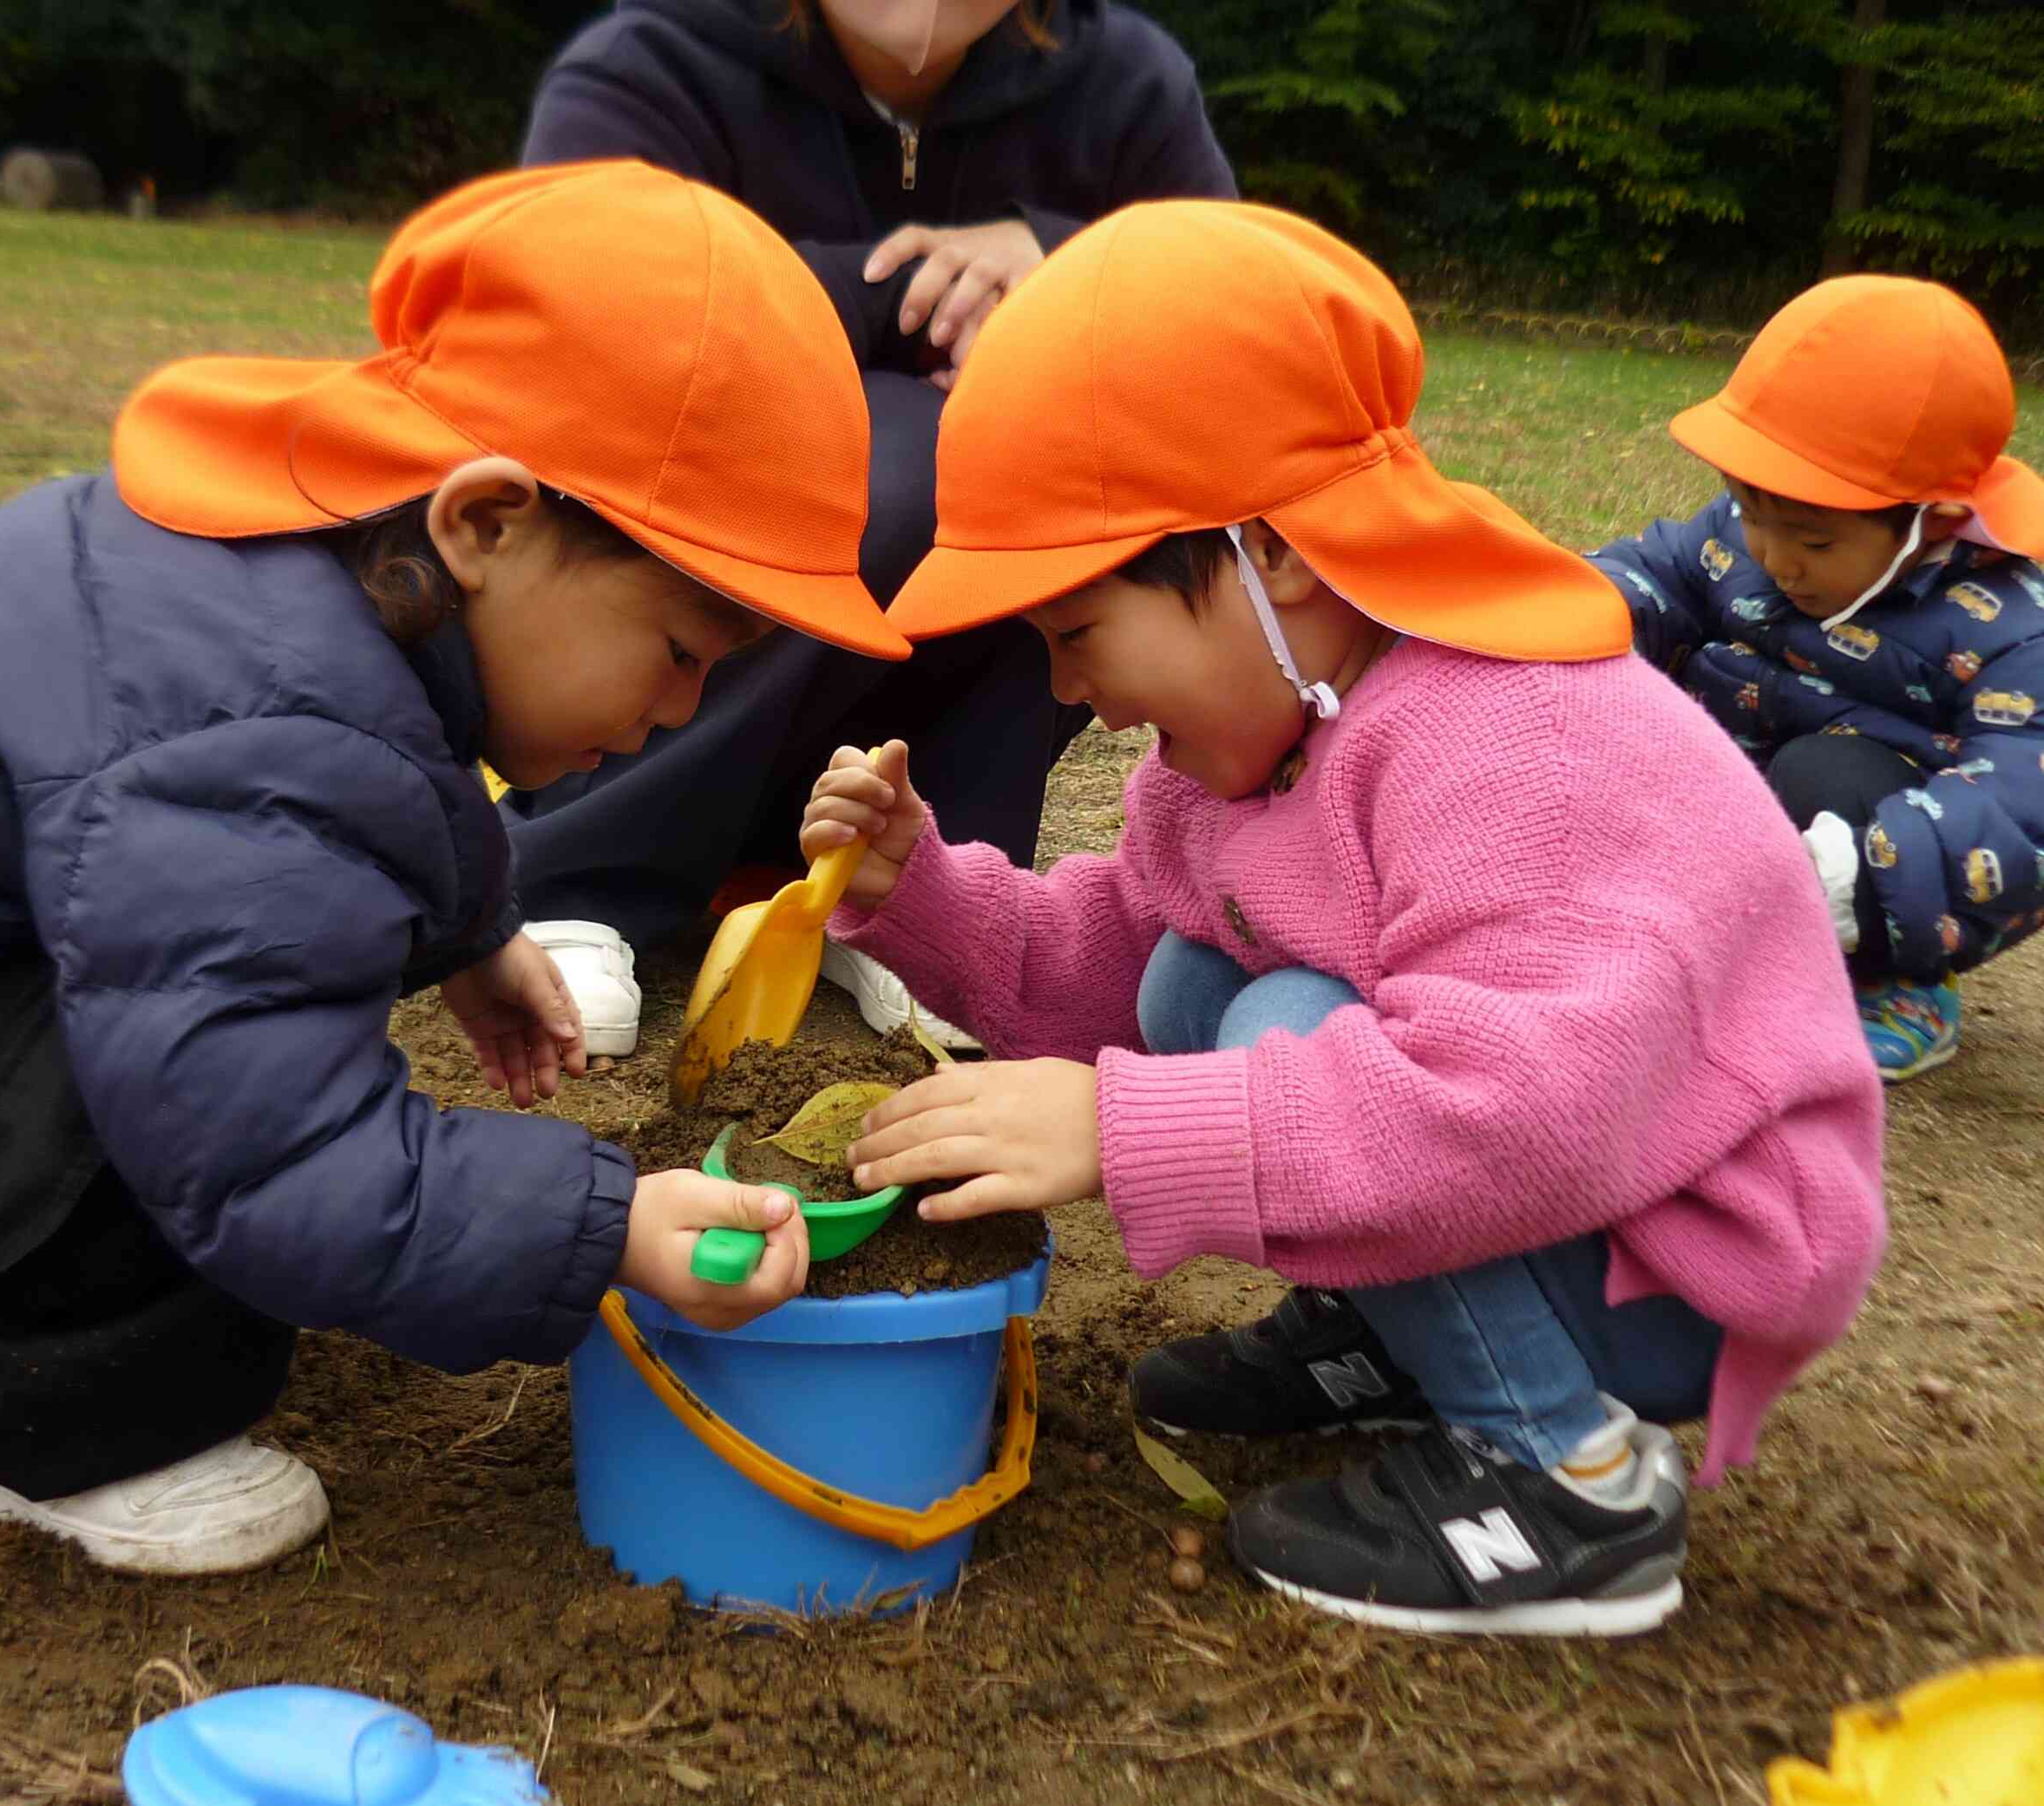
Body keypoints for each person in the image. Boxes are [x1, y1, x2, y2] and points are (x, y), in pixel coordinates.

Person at [0, 161, 904, 1576]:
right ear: (485, 522)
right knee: (184, 1075)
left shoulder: (310, 579)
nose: (679, 714)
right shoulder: (258, 708)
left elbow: (368, 780)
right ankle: (24, 1427)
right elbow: (257, 1135)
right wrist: (605, 1226)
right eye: (678, 651)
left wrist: (475, 928)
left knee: (232, 983)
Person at [797, 203, 1886, 1635]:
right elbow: (1123, 961)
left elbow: (1505, 1108)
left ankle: (1571, 1484)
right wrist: (920, 896)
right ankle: (1402, 1338)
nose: (1068, 692)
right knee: (1197, 977)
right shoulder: (1257, 740)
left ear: (1272, 556)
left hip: (1681, 1255)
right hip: (1567, 1197)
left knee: (1279, 1019)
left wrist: (1117, 1134)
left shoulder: (1509, 743)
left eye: (1077, 634)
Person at [508, 0, 1238, 1057]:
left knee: (1034, 480)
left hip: (934, 629)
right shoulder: (654, 60)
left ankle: (918, 884)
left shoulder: (1123, 77)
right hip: (672, 625)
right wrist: (895, 291)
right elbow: (569, 298)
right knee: (879, 464)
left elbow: (1233, 304)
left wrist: (1064, 263)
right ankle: (581, 870)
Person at [1586, 276, 2044, 1083]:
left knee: (1825, 770)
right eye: (1747, 513)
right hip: (1736, 802)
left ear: (1930, 522)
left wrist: (1847, 873)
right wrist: (1568, 616)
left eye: (1812, 541)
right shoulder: (1759, 533)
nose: (1771, 555)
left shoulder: (2013, 623)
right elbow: (1654, 576)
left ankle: (1897, 988)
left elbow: (2019, 802)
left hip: (1872, 850)